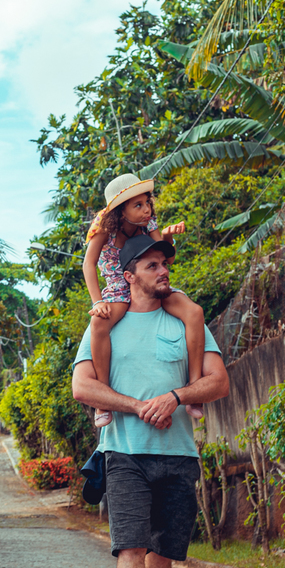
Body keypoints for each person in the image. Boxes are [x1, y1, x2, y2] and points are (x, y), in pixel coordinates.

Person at [71, 234, 230, 568]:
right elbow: (83, 386)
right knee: (130, 546)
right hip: (123, 452)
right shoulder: (106, 323)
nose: (163, 272)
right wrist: (138, 405)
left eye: (165, 264)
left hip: (178, 454)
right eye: (152, 265)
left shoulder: (186, 322)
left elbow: (218, 381)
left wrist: (176, 397)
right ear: (128, 276)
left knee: (163, 549)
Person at [83, 173, 206, 428]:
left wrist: (169, 237)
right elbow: (89, 263)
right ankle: (102, 400)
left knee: (194, 312)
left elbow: (164, 257)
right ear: (120, 210)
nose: (146, 209)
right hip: (119, 286)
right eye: (138, 205)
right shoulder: (104, 227)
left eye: (147, 203)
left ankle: (195, 390)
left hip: (149, 284)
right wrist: (97, 303)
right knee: (99, 325)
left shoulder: (149, 223)